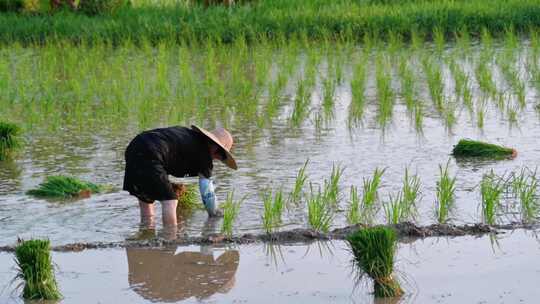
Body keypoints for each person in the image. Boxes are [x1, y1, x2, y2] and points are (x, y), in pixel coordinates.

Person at [123, 125, 237, 228]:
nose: (217, 158)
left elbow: (167, 157)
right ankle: (170, 239)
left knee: (146, 198)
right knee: (170, 200)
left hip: (134, 146)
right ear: (216, 148)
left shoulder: (187, 135)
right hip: (152, 152)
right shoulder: (204, 154)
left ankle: (146, 233)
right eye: (221, 155)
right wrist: (215, 215)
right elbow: (207, 192)